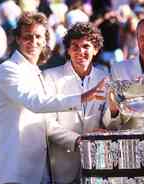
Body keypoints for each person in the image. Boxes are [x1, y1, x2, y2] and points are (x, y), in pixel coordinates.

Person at [0, 12, 105, 184]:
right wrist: (83, 97)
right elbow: (36, 103)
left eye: (38, 36)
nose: (33, 41)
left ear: (45, 40)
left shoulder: (35, 72)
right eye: (27, 37)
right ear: (18, 39)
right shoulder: (8, 69)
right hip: (13, 172)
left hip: (40, 174)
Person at [43, 22, 112, 183]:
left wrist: (112, 113)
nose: (80, 51)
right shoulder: (50, 77)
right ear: (68, 50)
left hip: (97, 168)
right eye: (75, 46)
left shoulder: (106, 77)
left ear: (95, 50)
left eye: (86, 46)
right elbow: (48, 124)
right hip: (61, 170)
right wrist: (78, 141)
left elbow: (109, 121)